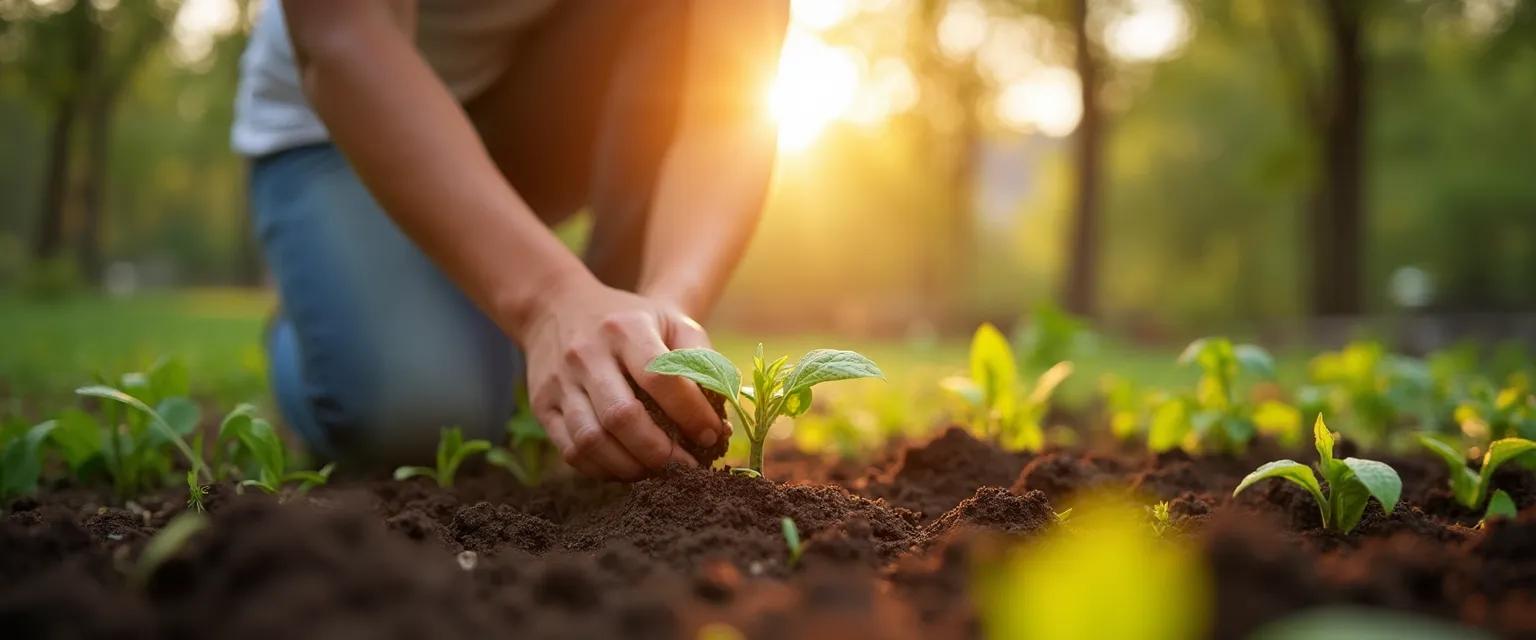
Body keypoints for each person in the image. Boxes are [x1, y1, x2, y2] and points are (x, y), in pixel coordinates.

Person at [232, 0, 788, 480]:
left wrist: (672, 298)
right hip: (338, 128)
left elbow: (732, 102)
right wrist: (549, 301)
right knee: (424, 416)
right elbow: (342, 38)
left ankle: (597, 366)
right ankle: (314, 321)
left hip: (526, 109)